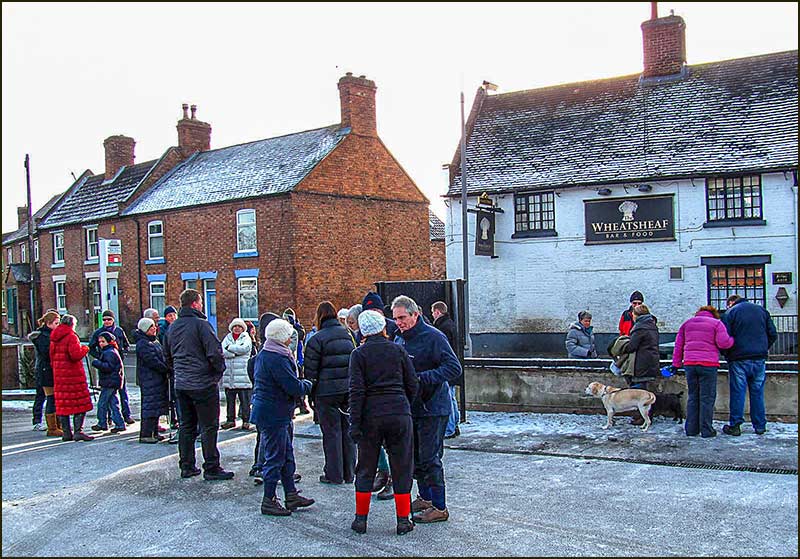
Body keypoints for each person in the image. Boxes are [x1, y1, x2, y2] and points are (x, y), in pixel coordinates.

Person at [392, 295, 462, 523]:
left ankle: (440, 506)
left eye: (402, 317)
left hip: (433, 406)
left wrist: (421, 378)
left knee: (430, 457)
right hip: (412, 406)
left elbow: (454, 368)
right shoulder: (399, 338)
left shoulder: (434, 337)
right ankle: (425, 497)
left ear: (415, 314)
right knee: (416, 457)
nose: (399, 322)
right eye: (396, 318)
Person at [348, 310, 419, 535]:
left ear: (363, 331)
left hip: (371, 416)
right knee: (402, 467)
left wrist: (355, 423)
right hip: (398, 412)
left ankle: (361, 519)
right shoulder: (398, 350)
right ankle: (402, 520)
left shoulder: (358, 355)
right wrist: (404, 404)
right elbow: (413, 384)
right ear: (383, 328)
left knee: (366, 467)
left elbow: (356, 391)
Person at [164, 289, 234, 481]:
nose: (202, 305)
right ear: (195, 303)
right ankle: (211, 466)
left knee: (186, 426)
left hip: (182, 383)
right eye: (200, 302)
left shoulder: (173, 327)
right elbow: (214, 352)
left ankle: (186, 465)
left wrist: (178, 371)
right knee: (209, 427)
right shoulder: (202, 325)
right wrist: (217, 373)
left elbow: (167, 355)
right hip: (202, 383)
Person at [250, 318, 315, 516]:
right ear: (283, 336)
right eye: (289, 335)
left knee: (286, 456)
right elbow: (291, 385)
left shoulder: (266, 353)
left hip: (272, 411)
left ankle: (291, 494)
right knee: (275, 457)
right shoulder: (276, 357)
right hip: (274, 413)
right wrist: (308, 385)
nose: (290, 339)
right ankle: (269, 499)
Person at [303, 300, 357, 485]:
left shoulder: (316, 339)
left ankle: (334, 474)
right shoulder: (348, 335)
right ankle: (349, 472)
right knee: (347, 431)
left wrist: (310, 396)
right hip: (347, 390)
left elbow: (310, 372)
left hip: (326, 393)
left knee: (331, 433)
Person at [672, 305, 734, 438]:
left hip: (690, 364)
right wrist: (732, 340)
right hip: (708, 364)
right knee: (707, 397)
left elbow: (678, 345)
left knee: (693, 396)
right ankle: (706, 430)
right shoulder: (717, 324)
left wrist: (676, 364)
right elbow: (723, 343)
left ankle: (691, 429)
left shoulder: (687, 324)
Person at [361, 292, 401, 498]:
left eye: (375, 310)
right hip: (373, 399)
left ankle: (393, 480)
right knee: (374, 441)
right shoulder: (364, 334)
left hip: (392, 398)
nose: (372, 314)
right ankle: (383, 472)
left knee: (392, 444)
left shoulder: (393, 329)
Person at [721, 295, 778, 436]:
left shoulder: (731, 313)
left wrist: (727, 354)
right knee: (757, 392)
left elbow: (724, 338)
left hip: (738, 358)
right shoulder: (761, 310)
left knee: (738, 392)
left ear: (730, 303)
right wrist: (763, 348)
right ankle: (759, 425)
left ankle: (735, 425)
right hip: (759, 358)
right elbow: (773, 334)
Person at [50, 314, 94, 442]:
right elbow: (75, 355)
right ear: (72, 324)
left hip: (59, 375)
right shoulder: (71, 336)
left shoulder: (54, 337)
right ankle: (78, 431)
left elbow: (52, 357)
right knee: (79, 403)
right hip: (73, 375)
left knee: (63, 405)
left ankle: (66, 432)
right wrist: (85, 349)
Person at [89, 309, 135, 425]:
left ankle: (126, 415)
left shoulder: (119, 331)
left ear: (113, 320)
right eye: (104, 320)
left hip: (118, 365)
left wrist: (121, 353)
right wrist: (100, 356)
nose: (107, 322)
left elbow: (126, 345)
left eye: (109, 319)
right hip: (107, 366)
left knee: (122, 392)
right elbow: (91, 347)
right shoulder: (98, 333)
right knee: (110, 396)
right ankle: (110, 419)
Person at [619, 303, 661, 426]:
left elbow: (632, 346)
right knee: (645, 391)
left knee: (638, 392)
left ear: (637, 315)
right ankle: (646, 415)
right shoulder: (652, 325)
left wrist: (622, 345)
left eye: (633, 313)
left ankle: (641, 417)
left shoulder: (640, 327)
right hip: (651, 361)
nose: (632, 315)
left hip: (640, 363)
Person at [133, 317, 171, 443]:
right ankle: (146, 434)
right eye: (151, 327)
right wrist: (166, 369)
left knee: (156, 407)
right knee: (149, 407)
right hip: (149, 379)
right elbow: (152, 360)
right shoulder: (143, 344)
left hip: (157, 379)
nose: (154, 328)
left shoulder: (154, 341)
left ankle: (154, 432)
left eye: (154, 326)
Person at [28, 310, 61, 436]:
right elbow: (47, 353)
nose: (58, 325)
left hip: (48, 369)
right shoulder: (43, 336)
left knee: (49, 397)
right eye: (56, 323)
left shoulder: (50, 335)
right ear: (48, 323)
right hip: (44, 370)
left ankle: (53, 423)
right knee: (45, 396)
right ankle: (39, 421)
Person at [432, 301, 461, 440]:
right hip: (453, 368)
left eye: (433, 312)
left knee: (448, 399)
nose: (432, 315)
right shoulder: (451, 325)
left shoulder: (442, 328)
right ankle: (454, 425)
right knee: (452, 398)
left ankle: (449, 429)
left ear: (437, 312)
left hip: (446, 368)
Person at [90, 332, 127, 434]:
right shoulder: (111, 351)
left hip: (110, 382)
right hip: (112, 381)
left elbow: (109, 367)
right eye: (100, 342)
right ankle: (119, 423)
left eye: (103, 341)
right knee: (113, 403)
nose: (101, 344)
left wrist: (97, 363)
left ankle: (102, 423)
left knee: (103, 403)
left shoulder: (109, 352)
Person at [220, 318, 254, 430]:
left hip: (243, 374)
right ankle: (230, 420)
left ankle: (246, 420)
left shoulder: (246, 338)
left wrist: (229, 348)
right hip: (230, 375)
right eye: (235, 326)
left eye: (239, 326)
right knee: (230, 400)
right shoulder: (227, 338)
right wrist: (234, 353)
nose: (237, 328)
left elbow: (244, 349)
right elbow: (221, 351)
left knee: (245, 401)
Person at [283, 308, 311, 416]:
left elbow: (300, 336)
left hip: (297, 359)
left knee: (298, 382)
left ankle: (302, 405)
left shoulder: (297, 329)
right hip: (291, 360)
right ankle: (295, 407)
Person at [159, 305, 179, 432]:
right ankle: (173, 419)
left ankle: (177, 419)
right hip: (170, 365)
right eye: (169, 316)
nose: (172, 317)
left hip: (177, 364)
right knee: (171, 396)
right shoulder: (163, 330)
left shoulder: (178, 326)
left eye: (173, 315)